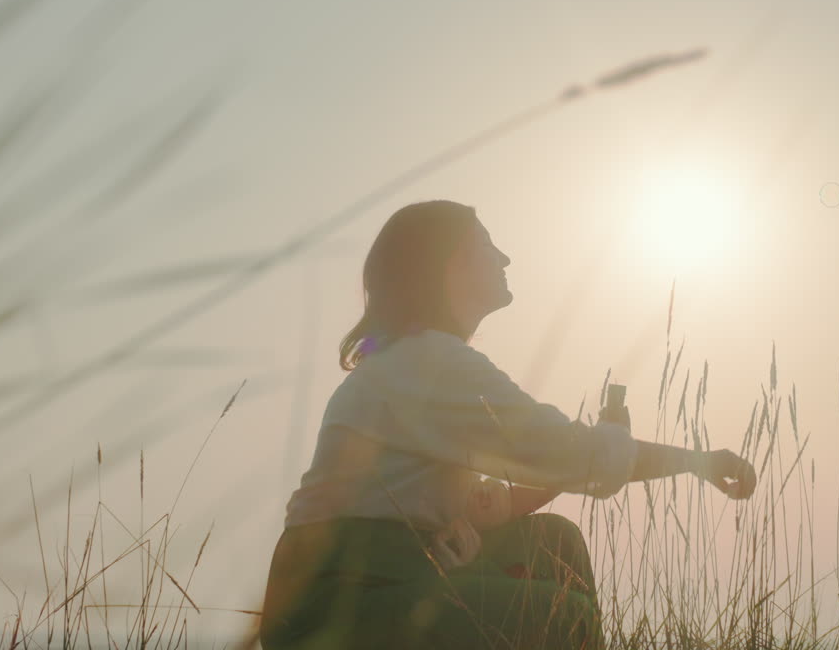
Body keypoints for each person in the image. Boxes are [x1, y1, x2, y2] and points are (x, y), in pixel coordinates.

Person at [258, 200, 756, 649]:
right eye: (487, 245)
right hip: (338, 603)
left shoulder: (418, 361)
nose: (504, 258)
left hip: (378, 580)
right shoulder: (429, 361)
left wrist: (568, 470)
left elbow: (519, 486)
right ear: (449, 264)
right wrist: (689, 460)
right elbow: (570, 455)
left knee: (552, 545)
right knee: (567, 620)